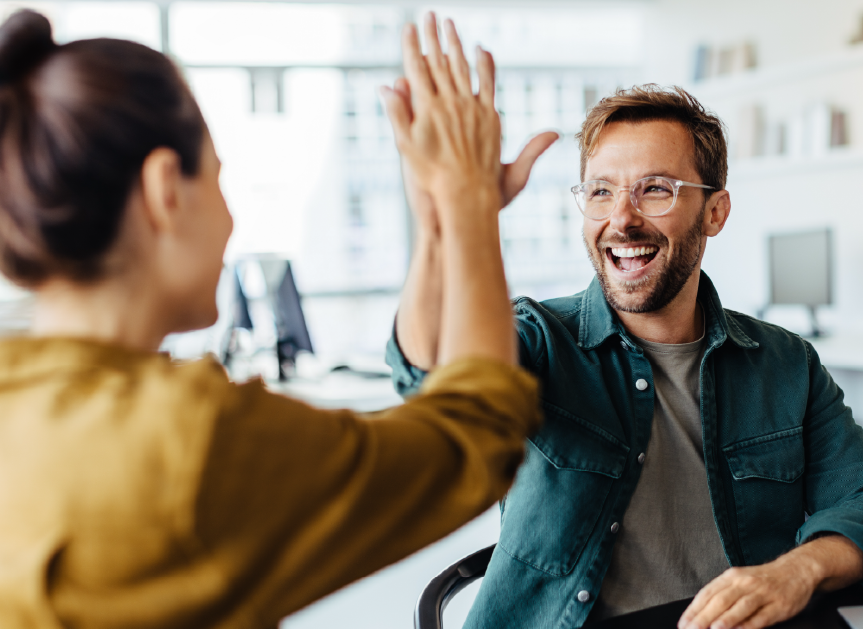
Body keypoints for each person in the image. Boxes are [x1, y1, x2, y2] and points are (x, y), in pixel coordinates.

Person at [0, 10, 542, 627]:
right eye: (220, 180)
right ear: (165, 191)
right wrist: (468, 201)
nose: (231, 220)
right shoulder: (190, 439)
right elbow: (474, 436)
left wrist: (446, 220)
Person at [389, 79, 863, 626]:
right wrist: (446, 223)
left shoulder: (786, 364)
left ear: (714, 213)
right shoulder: (539, 339)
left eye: (655, 189)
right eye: (601, 191)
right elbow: (432, 372)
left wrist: (799, 571)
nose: (623, 218)